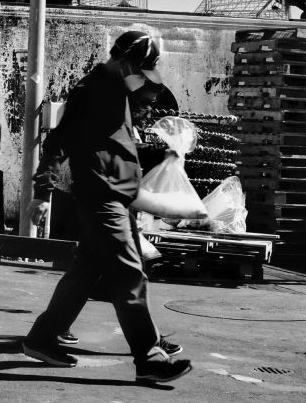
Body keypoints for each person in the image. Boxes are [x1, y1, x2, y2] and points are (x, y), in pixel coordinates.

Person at [21, 31, 192, 384]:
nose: (143, 80)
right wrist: (42, 192)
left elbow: (115, 147)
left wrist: (160, 155)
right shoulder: (91, 91)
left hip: (118, 197)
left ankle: (41, 339)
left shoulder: (118, 93)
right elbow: (59, 141)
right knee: (129, 275)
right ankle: (149, 357)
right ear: (125, 62)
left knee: (85, 273)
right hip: (102, 198)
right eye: (141, 72)